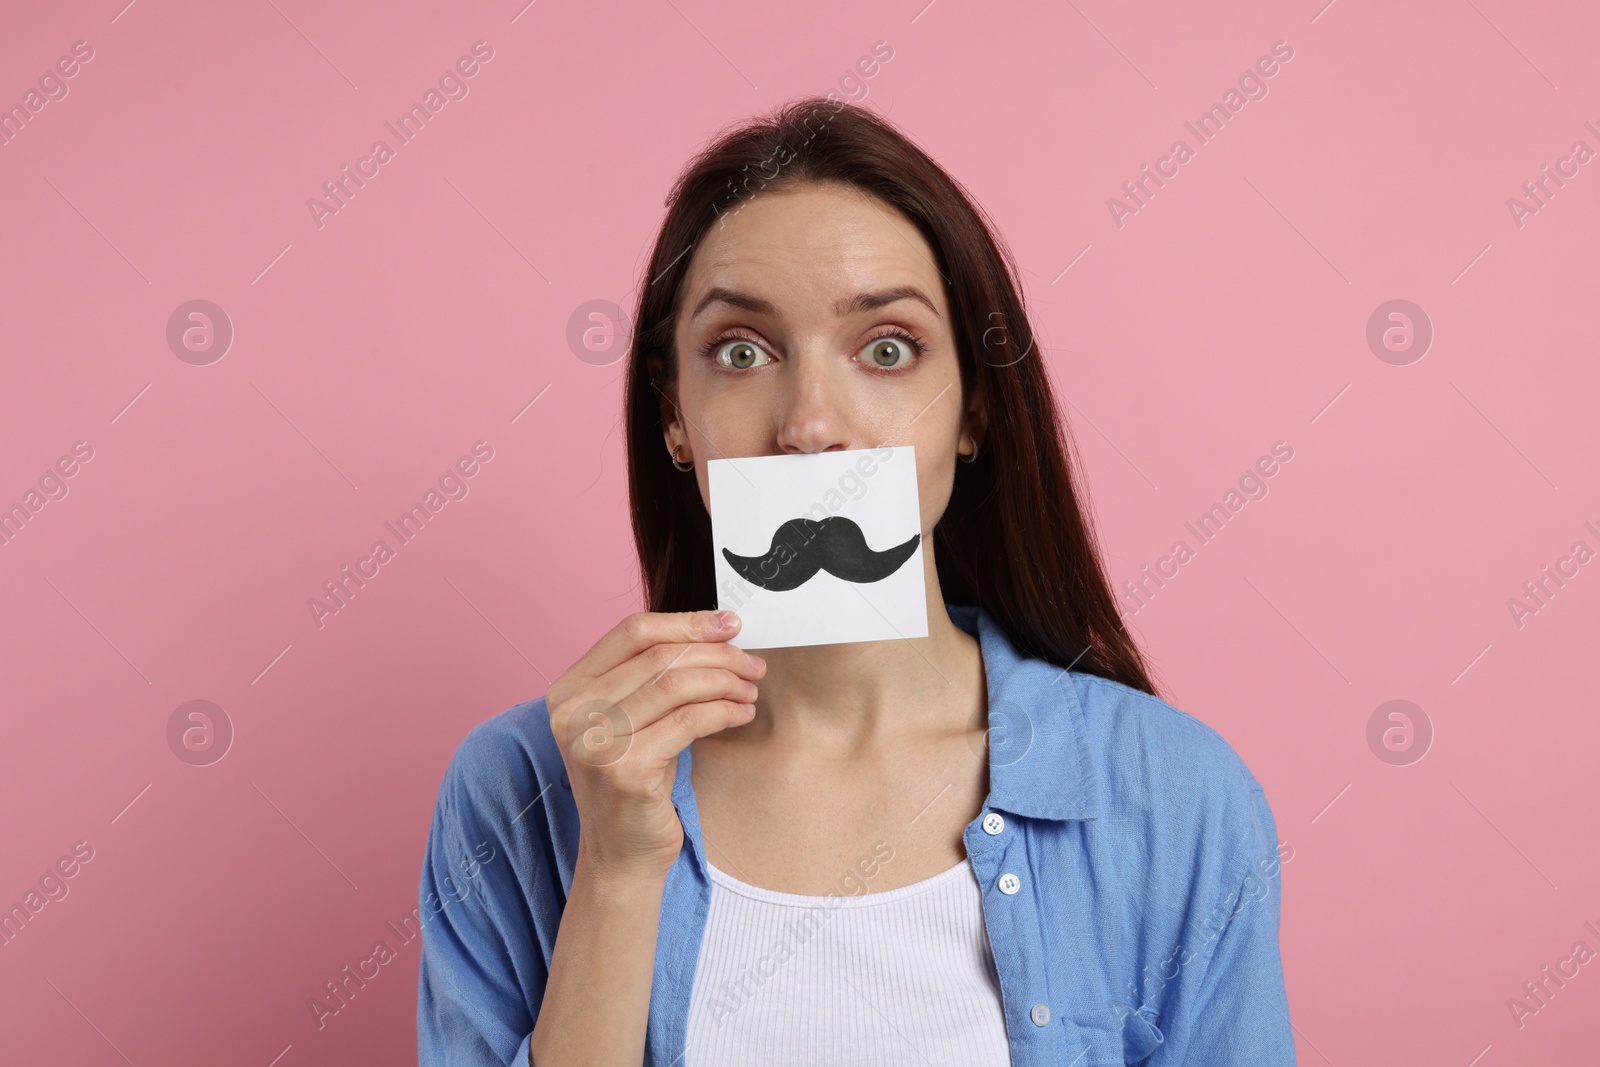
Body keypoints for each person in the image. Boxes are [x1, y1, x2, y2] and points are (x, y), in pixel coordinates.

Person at [417, 97, 1296, 1067]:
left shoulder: (1172, 795)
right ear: (676, 417)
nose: (810, 425)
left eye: (887, 348)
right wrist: (617, 866)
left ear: (975, 411)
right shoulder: (516, 789)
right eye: (740, 352)